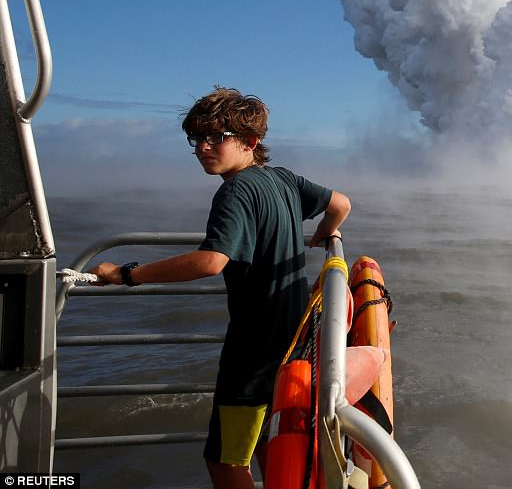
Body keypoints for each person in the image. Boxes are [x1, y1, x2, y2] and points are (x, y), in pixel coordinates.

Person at [92, 87, 351, 489]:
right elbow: (341, 204)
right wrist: (324, 233)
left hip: (255, 351)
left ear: (250, 142)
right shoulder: (282, 180)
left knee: (226, 462)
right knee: (268, 441)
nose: (203, 148)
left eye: (216, 137)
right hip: (294, 341)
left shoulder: (235, 192)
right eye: (197, 138)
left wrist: (126, 274)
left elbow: (210, 261)